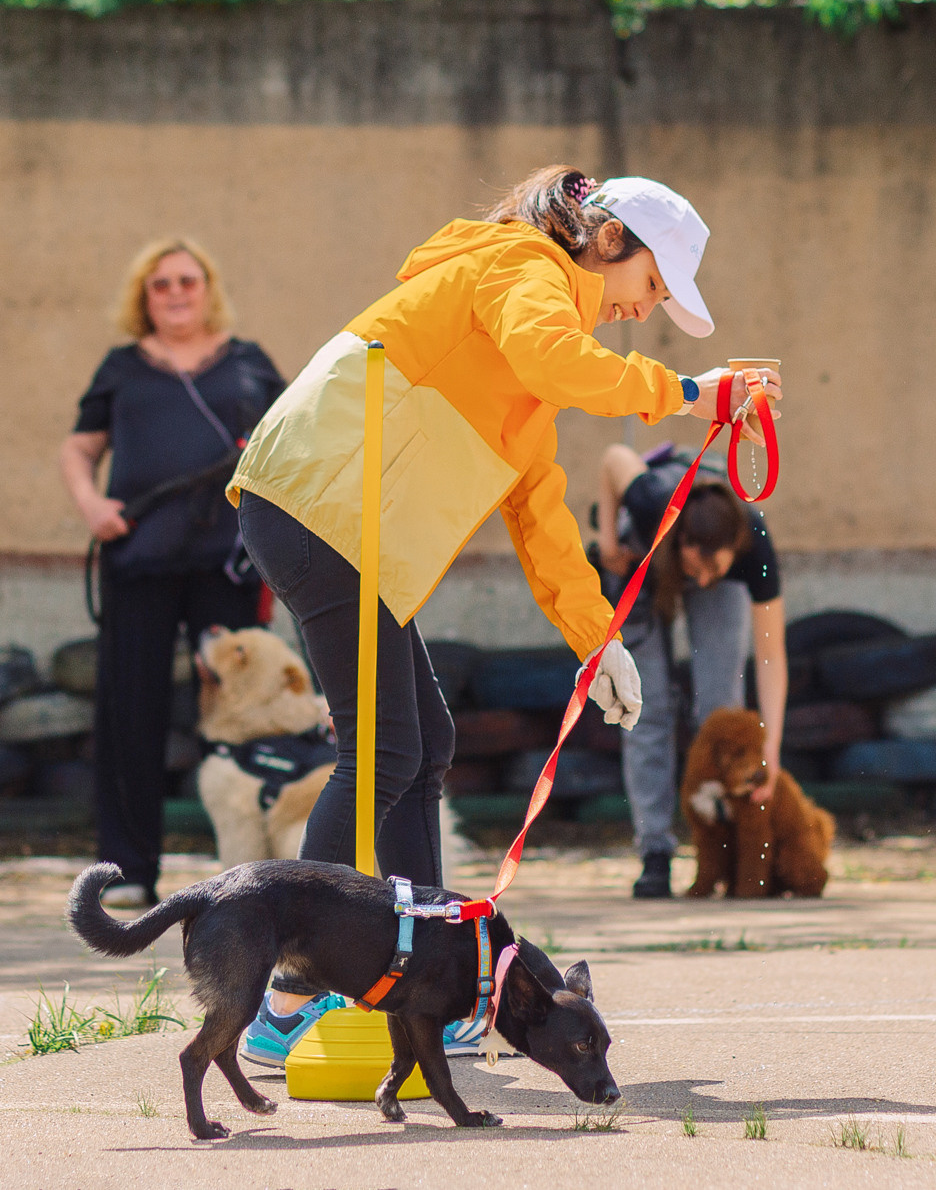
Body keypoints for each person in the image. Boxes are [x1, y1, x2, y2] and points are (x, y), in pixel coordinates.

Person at [226, 165, 780, 1065]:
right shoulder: (521, 270)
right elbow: (559, 357)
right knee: (383, 747)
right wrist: (687, 392)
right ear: (608, 244)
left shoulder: (533, 375)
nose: (645, 311)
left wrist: (598, 643)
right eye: (652, 286)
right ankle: (283, 992)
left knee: (425, 744)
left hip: (344, 526)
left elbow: (543, 522)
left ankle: (426, 986)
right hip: (313, 503)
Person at [59, 239, 285, 910]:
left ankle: (266, 873)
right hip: (140, 560)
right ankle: (126, 869)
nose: (176, 292)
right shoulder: (121, 367)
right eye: (161, 284)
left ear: (208, 287)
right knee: (131, 714)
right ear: (143, 296)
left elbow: (288, 440)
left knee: (251, 709)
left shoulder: (249, 362)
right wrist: (91, 504)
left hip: (229, 562)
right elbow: (79, 447)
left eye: (187, 280)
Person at [596, 441, 786, 899]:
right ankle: (655, 853)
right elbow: (614, 457)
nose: (701, 582)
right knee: (645, 706)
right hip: (644, 555)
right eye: (697, 569)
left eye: (713, 570)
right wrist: (606, 542)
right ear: (684, 543)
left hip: (709, 551)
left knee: (722, 710)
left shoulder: (751, 546)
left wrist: (770, 752)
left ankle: (721, 847)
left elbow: (771, 655)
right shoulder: (652, 501)